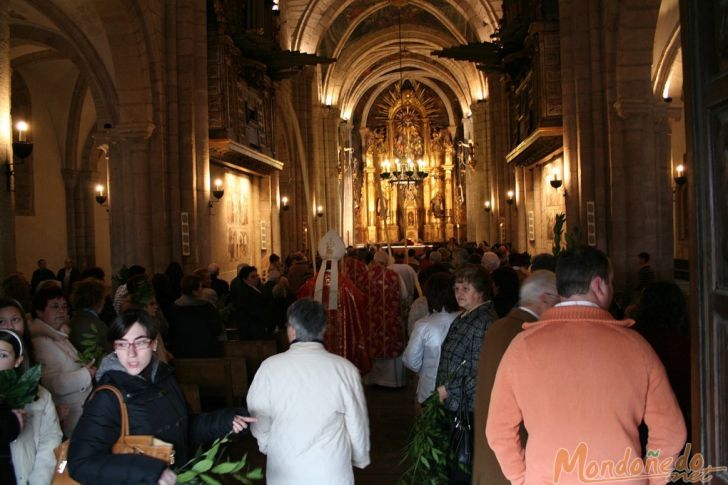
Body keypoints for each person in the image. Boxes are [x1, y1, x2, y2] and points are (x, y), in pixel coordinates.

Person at [486, 247, 687, 485]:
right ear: (600, 285)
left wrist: (522, 478)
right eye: (611, 282)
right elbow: (670, 432)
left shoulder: (522, 348)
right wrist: (653, 477)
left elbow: (499, 432)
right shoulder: (637, 347)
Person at [68, 310, 255, 484]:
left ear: (154, 343)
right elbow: (81, 463)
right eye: (122, 344)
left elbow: (185, 428)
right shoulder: (108, 396)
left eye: (140, 342)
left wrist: (225, 421)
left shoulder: (164, 379)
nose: (131, 353)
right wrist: (152, 471)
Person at [247, 298, 370, 484]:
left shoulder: (270, 367)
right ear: (323, 330)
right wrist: (359, 456)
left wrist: (266, 445)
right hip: (330, 469)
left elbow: (258, 415)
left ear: (292, 330)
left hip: (285, 467)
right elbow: (356, 421)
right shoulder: (344, 369)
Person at [472, 270, 558, 485]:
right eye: (560, 301)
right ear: (545, 299)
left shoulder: (498, 327)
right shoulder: (532, 335)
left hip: (488, 457)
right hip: (516, 458)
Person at [435, 265, 498, 483]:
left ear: (480, 290)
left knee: (463, 468)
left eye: (465, 288)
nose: (459, 293)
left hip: (468, 408)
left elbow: (482, 372)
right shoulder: (465, 316)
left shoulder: (484, 322)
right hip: (455, 406)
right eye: (456, 288)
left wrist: (448, 390)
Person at [297, 230, 371, 374]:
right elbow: (361, 302)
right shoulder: (346, 285)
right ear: (338, 261)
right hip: (342, 346)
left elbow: (299, 303)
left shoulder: (309, 284)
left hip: (314, 341)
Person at [29, 286, 93, 437]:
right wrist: (87, 373)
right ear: (39, 312)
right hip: (70, 414)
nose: (61, 311)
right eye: (54, 307)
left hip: (82, 410)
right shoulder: (41, 341)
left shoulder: (59, 335)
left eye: (64, 307)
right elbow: (52, 384)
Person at [0, 329, 62, 484]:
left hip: (24, 476)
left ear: (18, 360)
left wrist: (38, 480)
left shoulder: (40, 396)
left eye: (2, 355)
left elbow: (50, 440)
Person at [402, 273, 460, 404]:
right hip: (459, 390)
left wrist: (428, 368)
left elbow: (411, 361)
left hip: (431, 388)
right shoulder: (465, 319)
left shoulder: (424, 325)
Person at [364, 250, 406, 387]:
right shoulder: (394, 276)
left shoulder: (366, 276)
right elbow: (404, 296)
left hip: (371, 321)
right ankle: (392, 382)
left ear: (374, 261)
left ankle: (373, 380)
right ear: (387, 261)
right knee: (391, 343)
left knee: (373, 344)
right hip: (391, 321)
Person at [168, 274, 222, 358]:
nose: (202, 289)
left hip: (182, 352)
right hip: (206, 352)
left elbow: (171, 330)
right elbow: (217, 328)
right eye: (200, 287)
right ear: (194, 291)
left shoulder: (174, 307)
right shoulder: (207, 307)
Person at [68, 278, 112, 356]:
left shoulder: (71, 321)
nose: (104, 302)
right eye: (104, 298)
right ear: (97, 300)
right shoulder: (98, 325)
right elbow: (110, 354)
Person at [232, 265, 274, 340]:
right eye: (253, 277)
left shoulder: (252, 290)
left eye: (257, 275)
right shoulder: (248, 294)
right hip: (253, 332)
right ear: (245, 280)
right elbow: (257, 312)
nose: (257, 278)